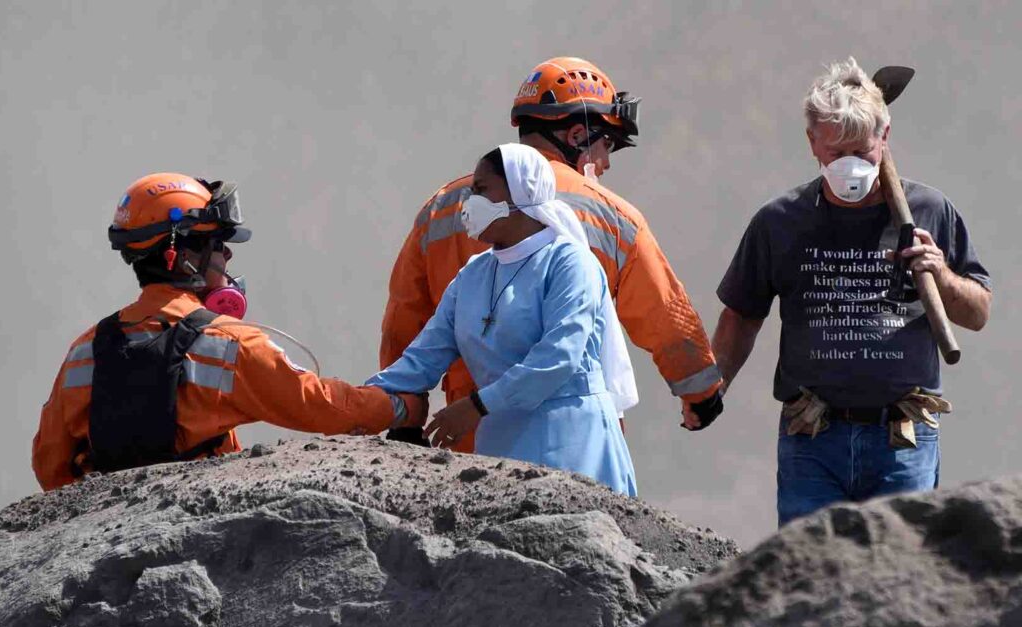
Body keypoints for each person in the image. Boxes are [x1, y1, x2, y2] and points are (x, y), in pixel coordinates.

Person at [381, 56, 723, 452]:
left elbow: (406, 319)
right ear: (577, 135)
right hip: (571, 437)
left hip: (464, 431)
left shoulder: (442, 207)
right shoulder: (614, 217)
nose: (607, 162)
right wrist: (701, 392)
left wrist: (404, 410)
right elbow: (664, 315)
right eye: (606, 144)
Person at [711, 58, 992, 525]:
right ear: (812, 144)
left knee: (898, 570)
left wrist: (939, 275)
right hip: (812, 434)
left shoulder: (929, 211)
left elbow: (978, 312)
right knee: (808, 572)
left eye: (861, 152)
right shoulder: (780, 221)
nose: (849, 167)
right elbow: (741, 316)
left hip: (902, 436)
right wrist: (711, 389)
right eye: (835, 154)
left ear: (884, 138)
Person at [32, 173, 426, 491]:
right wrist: (400, 407)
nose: (228, 255)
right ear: (183, 255)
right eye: (219, 244)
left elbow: (49, 463)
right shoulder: (227, 343)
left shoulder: (85, 350)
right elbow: (322, 407)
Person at [368, 144, 637, 495]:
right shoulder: (472, 275)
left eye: (481, 190)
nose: (469, 202)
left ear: (520, 193)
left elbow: (559, 358)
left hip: (574, 442)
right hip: (500, 445)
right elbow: (423, 358)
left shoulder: (570, 263)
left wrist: (479, 405)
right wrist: (361, 397)